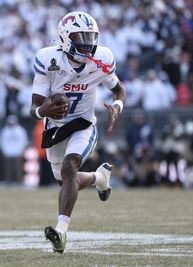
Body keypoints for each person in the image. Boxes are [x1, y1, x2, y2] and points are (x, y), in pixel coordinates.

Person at [30, 11, 126, 253]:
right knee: (65, 179)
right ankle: (99, 178)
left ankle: (61, 232)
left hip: (84, 124)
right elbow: (34, 108)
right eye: (80, 37)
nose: (87, 43)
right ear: (64, 38)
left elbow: (119, 89)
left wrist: (117, 105)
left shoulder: (102, 58)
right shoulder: (48, 59)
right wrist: (46, 110)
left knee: (69, 168)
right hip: (56, 129)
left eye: (90, 37)